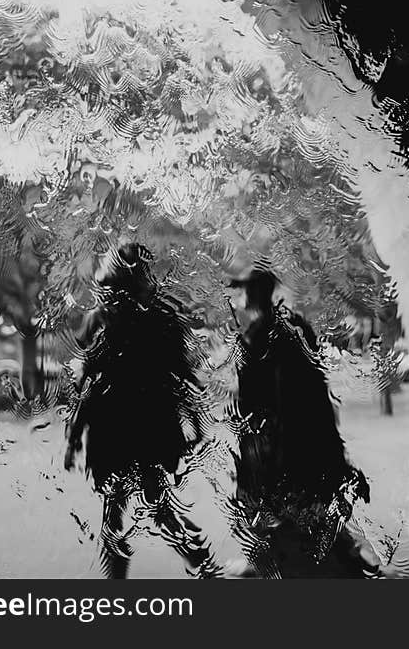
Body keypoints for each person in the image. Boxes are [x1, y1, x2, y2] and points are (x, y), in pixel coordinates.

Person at [64, 242, 215, 578]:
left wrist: (75, 433)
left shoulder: (113, 319)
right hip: (142, 431)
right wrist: (196, 425)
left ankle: (196, 570)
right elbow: (183, 377)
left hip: (122, 433)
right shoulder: (156, 317)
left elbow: (87, 380)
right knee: (152, 508)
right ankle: (205, 570)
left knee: (122, 513)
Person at [226, 269, 375, 577]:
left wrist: (252, 449)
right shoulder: (294, 327)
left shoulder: (255, 338)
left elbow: (251, 403)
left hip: (282, 441)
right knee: (312, 501)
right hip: (310, 434)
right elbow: (316, 385)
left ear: (252, 297)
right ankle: (344, 556)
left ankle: (284, 561)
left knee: (279, 505)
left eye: (245, 294)